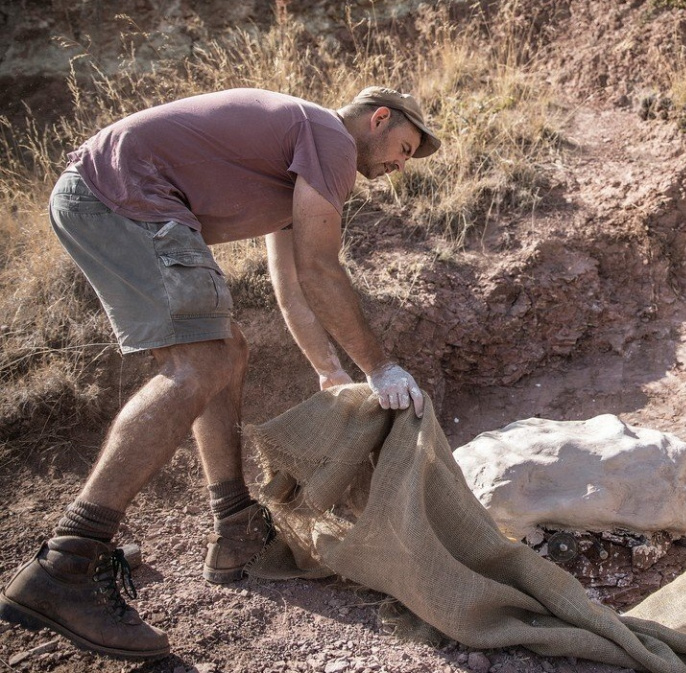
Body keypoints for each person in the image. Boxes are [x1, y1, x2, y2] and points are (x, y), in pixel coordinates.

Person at [0, 86, 438, 659]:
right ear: (379, 118)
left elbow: (293, 285)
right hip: (122, 195)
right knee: (203, 361)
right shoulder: (329, 137)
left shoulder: (299, 159)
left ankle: (235, 529)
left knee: (223, 349)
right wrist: (381, 367)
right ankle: (68, 563)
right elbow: (322, 269)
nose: (399, 165)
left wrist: (330, 371)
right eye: (403, 147)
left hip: (109, 196)